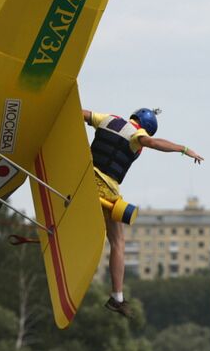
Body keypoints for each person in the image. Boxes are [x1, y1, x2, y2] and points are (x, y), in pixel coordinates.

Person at [83, 107, 203, 317]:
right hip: (105, 190)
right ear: (147, 129)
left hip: (82, 179)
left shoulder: (108, 119)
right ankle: (117, 298)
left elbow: (80, 112)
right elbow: (154, 143)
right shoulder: (137, 135)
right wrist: (184, 149)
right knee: (118, 242)